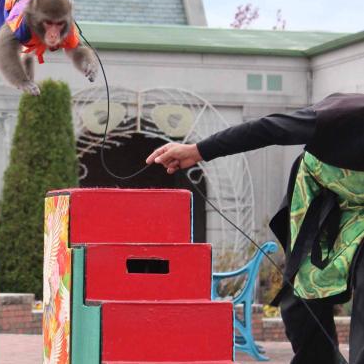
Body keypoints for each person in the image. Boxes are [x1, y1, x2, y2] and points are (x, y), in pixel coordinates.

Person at [146, 92, 364, 364]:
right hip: (323, 195)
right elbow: (267, 129)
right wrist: (197, 151)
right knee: (301, 301)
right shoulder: (345, 115)